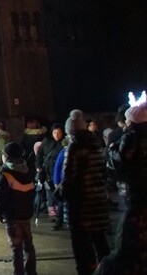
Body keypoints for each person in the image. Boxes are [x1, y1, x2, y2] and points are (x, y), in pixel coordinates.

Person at [95, 91, 147, 274]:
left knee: (131, 242)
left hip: (137, 196)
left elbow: (119, 159)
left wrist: (111, 150)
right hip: (139, 195)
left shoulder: (131, 137)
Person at [57, 109, 110, 274]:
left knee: (81, 243)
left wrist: (60, 192)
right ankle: (107, 268)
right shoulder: (96, 145)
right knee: (99, 238)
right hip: (98, 199)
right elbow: (104, 171)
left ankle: (86, 270)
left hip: (81, 203)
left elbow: (69, 176)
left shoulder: (74, 148)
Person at [0, 141, 37, 275]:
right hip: (26, 214)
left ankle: (18, 273)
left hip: (12, 216)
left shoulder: (6, 175)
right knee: (28, 245)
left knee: (16, 248)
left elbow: (0, 197)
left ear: (6, 156)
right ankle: (31, 271)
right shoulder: (28, 171)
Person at [37, 122, 67, 230]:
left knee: (60, 197)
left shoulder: (64, 144)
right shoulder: (47, 142)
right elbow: (39, 154)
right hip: (48, 173)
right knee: (52, 194)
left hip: (59, 174)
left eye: (59, 133)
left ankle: (60, 218)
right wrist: (39, 166)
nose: (57, 135)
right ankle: (56, 214)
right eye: (55, 132)